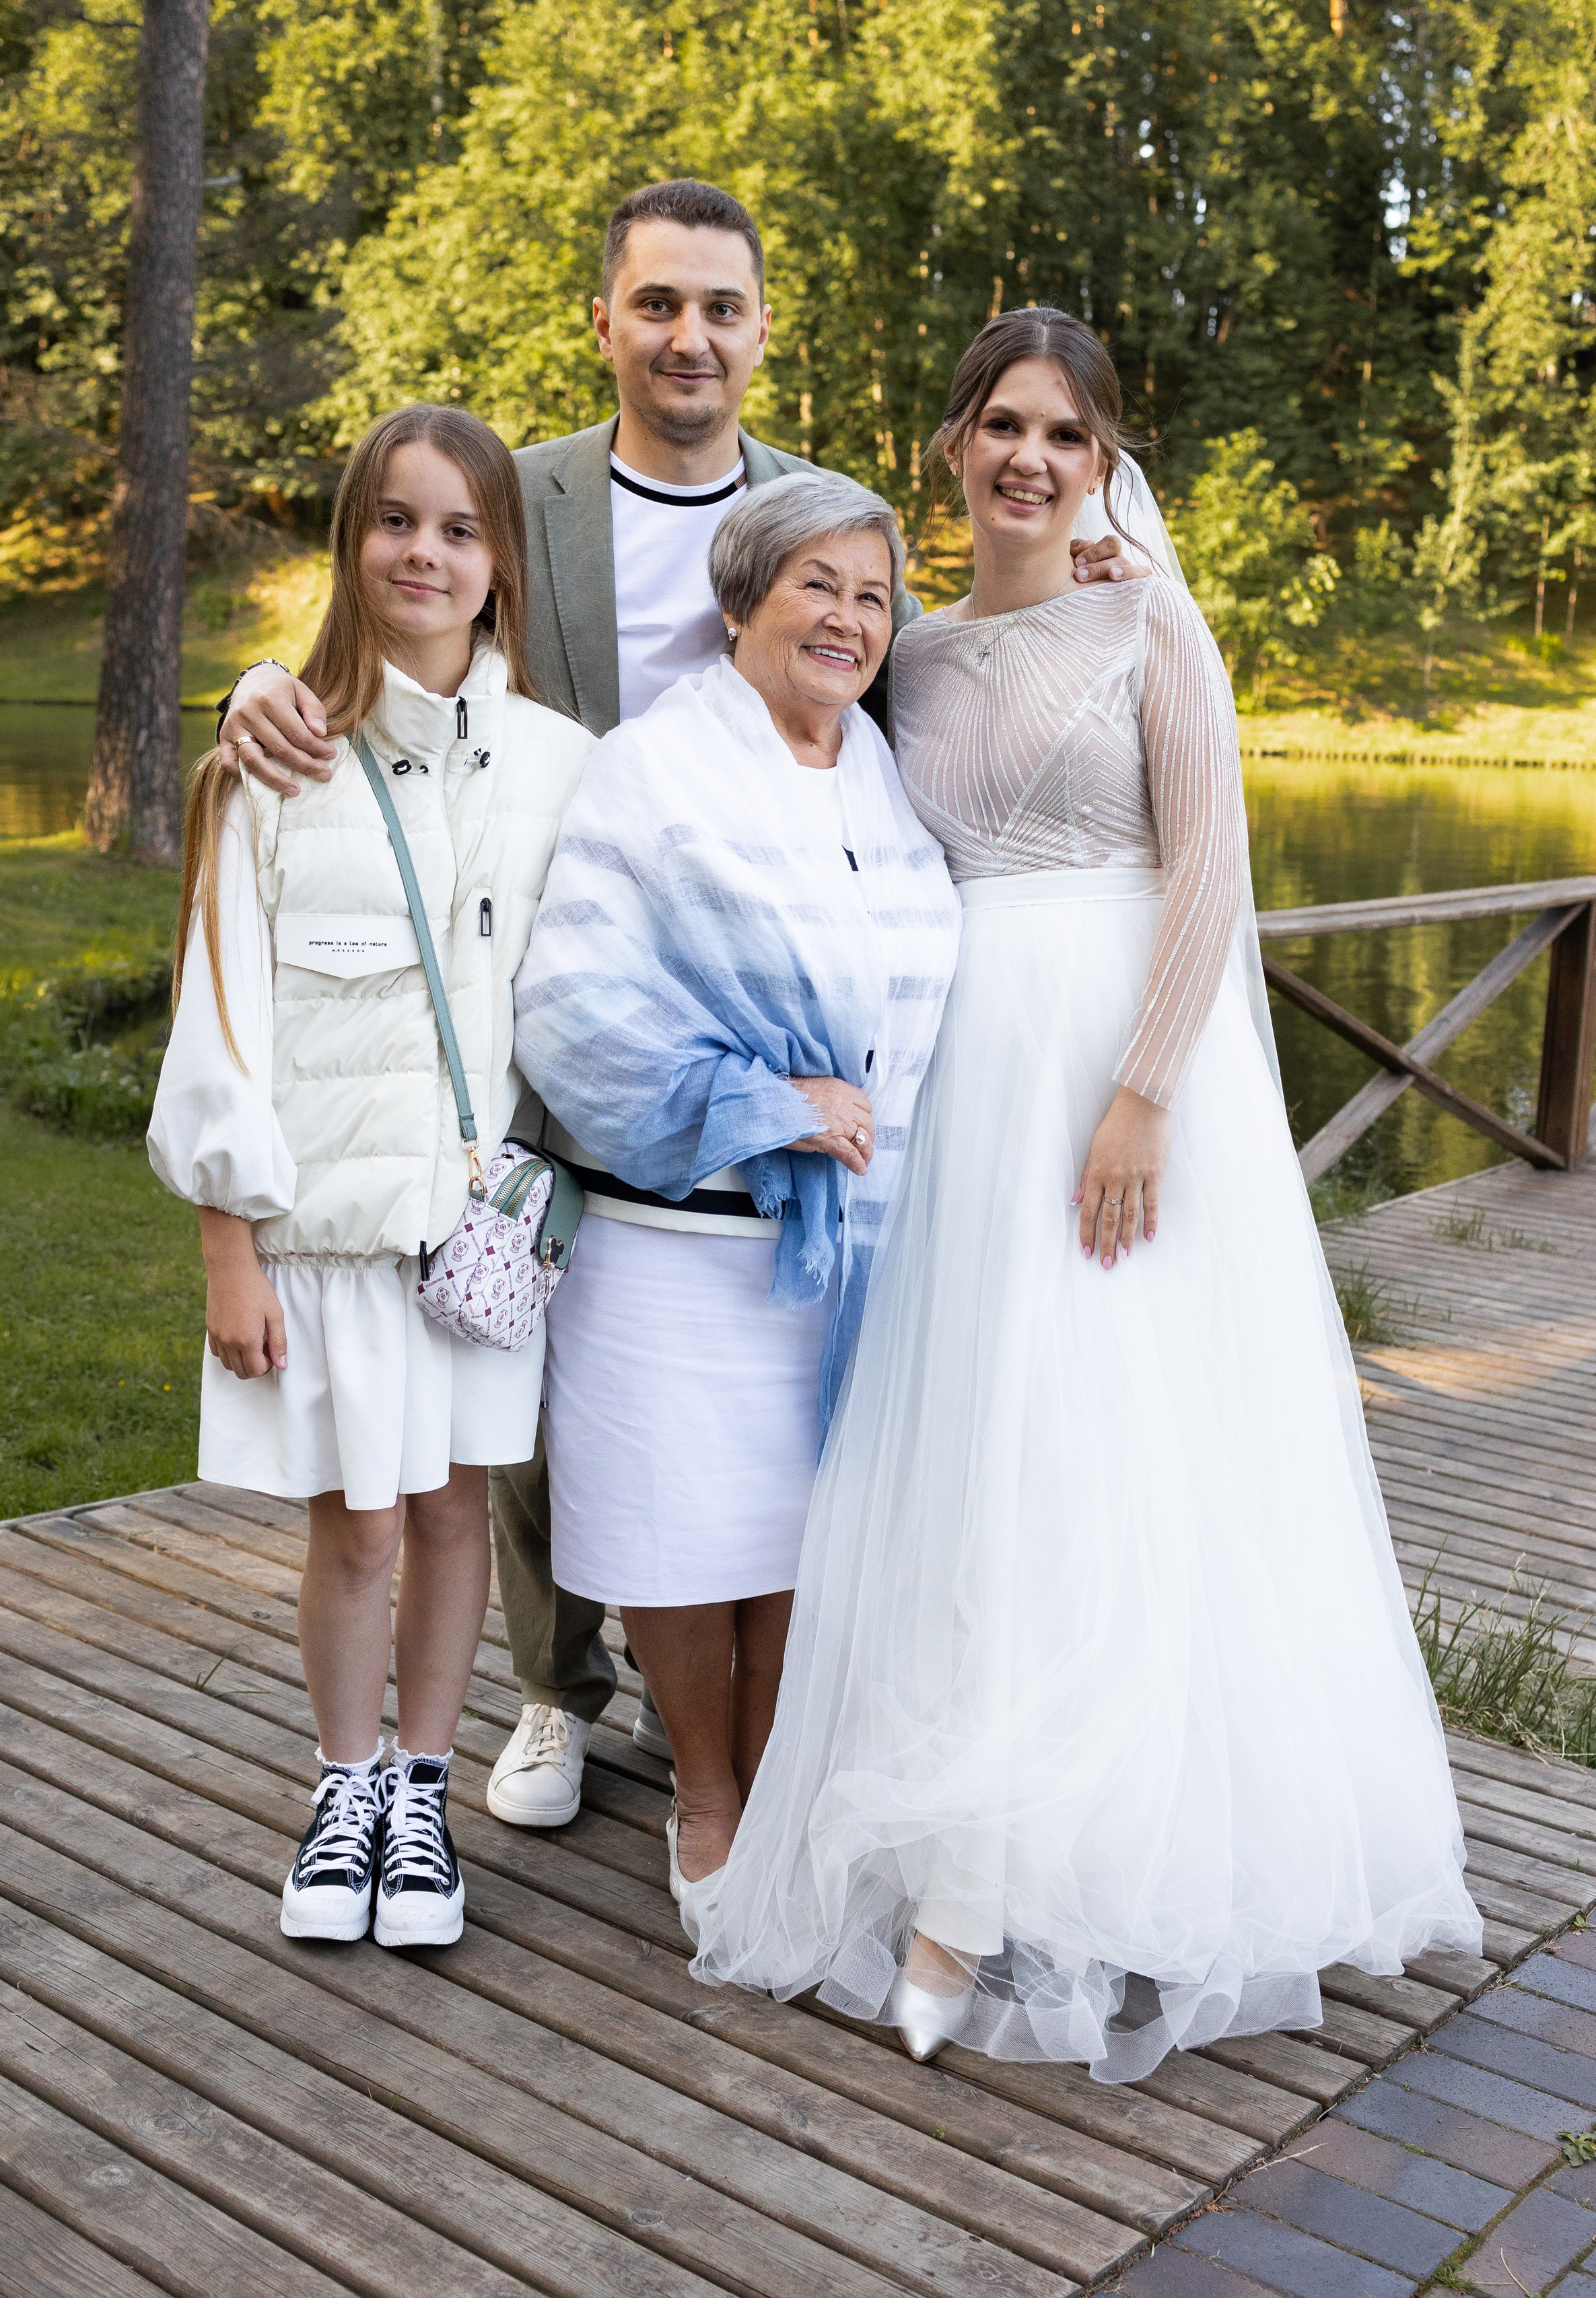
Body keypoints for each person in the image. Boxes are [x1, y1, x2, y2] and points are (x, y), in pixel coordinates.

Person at [211, 180, 1143, 1833]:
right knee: (535, 1364)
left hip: (773, 996)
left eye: (720, 307)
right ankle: (555, 1688)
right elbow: (405, 622)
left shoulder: (823, 522)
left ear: (759, 331)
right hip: (544, 957)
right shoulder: (528, 491)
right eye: (657, 305)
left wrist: (1084, 564)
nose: (689, 336)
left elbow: (907, 700)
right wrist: (267, 685)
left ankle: (739, 1721)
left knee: (710, 1410)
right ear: (607, 322)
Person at [686, 309, 1482, 2080]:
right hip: (964, 1093)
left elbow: (1212, 869)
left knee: (1126, 1457)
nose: (1029, 457)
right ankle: (969, 1845)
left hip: (1121, 1088)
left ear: (1102, 457)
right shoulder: (907, 646)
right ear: (953, 443)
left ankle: (1074, 1862)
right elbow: (744, 740)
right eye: (999, 425)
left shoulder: (1150, 622)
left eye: (1063, 430)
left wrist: (1141, 1090)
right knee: (977, 1456)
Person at [148, 406, 591, 1948]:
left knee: (457, 1507)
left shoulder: (560, 768)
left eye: (459, 529)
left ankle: (422, 1790)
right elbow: (221, 1018)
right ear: (351, 546)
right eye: (396, 522)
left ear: (498, 565)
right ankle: (342, 1786)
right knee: (356, 1521)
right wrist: (227, 1244)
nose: (425, 552)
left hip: (471, 1236)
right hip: (328, 1234)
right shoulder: (271, 760)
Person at [512, 471, 961, 1897]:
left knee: (792, 1544)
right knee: (677, 1534)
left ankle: (769, 1790)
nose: (846, 617)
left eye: (872, 594)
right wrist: (767, 1105)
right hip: (677, 1237)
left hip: (841, 1252)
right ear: (740, 601)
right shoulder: (654, 767)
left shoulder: (878, 773)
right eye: (816, 584)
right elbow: (571, 1009)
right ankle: (702, 1792)